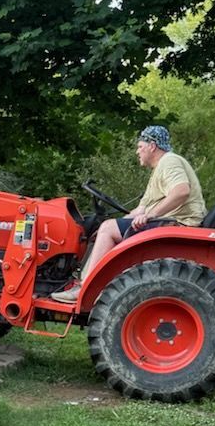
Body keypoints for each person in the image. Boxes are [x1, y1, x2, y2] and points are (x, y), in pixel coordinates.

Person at [51, 125, 206, 304]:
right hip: (170, 221)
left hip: (178, 223)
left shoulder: (169, 161)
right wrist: (116, 223)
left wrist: (150, 215)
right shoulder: (160, 169)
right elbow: (140, 210)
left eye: (140, 147)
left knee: (108, 229)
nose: (136, 152)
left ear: (152, 146)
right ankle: (91, 283)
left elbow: (181, 191)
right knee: (107, 227)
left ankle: (84, 288)